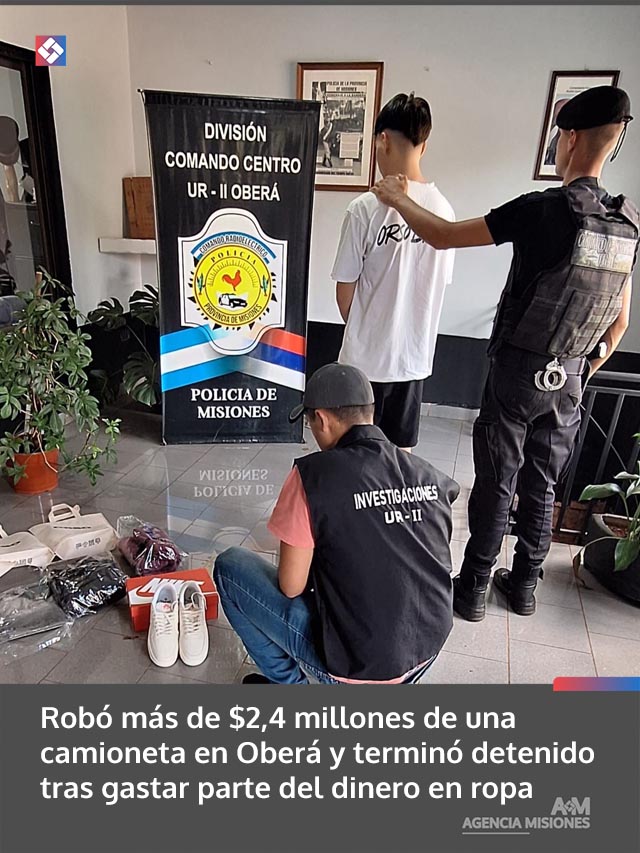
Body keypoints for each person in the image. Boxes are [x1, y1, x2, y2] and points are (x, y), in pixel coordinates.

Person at [371, 86, 639, 620]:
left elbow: (444, 235)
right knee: (542, 485)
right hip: (569, 378)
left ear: (569, 139)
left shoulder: (540, 209)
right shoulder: (626, 224)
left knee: (497, 481)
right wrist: (581, 370)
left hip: (518, 372)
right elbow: (620, 323)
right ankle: (523, 588)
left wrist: (398, 198)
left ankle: (473, 589)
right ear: (614, 143)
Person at [214, 363, 460, 684]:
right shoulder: (430, 477)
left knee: (231, 566)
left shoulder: (313, 476)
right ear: (369, 412)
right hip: (426, 651)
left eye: (310, 424)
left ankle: (289, 687)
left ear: (322, 419)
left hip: (361, 669)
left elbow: (291, 586)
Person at [332, 92, 455, 451]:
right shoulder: (443, 212)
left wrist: (365, 330)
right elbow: (438, 285)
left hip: (363, 362)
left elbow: (344, 291)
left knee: (353, 454)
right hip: (412, 359)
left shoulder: (363, 208)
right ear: (423, 146)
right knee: (399, 457)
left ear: (382, 140)